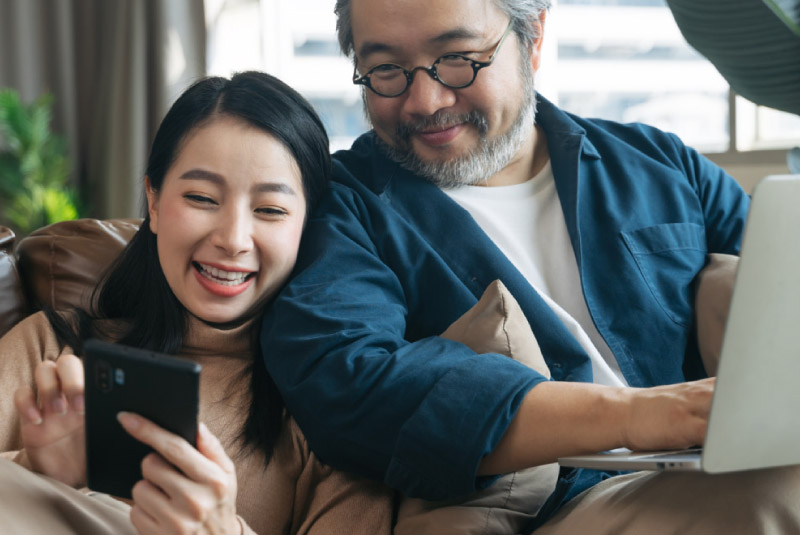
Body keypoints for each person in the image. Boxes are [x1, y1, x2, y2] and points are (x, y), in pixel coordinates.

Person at [259, 1, 800, 533]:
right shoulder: (343, 210)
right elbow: (350, 383)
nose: (425, 100)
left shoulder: (657, 163)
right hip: (556, 506)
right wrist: (638, 415)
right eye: (385, 70)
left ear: (533, 37)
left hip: (710, 465)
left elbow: (780, 278)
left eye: (458, 58)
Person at [0, 71, 392, 535]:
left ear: (307, 229)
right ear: (155, 201)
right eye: (202, 198)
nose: (232, 240)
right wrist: (36, 470)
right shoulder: (50, 348)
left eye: (270, 210)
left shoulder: (339, 408)